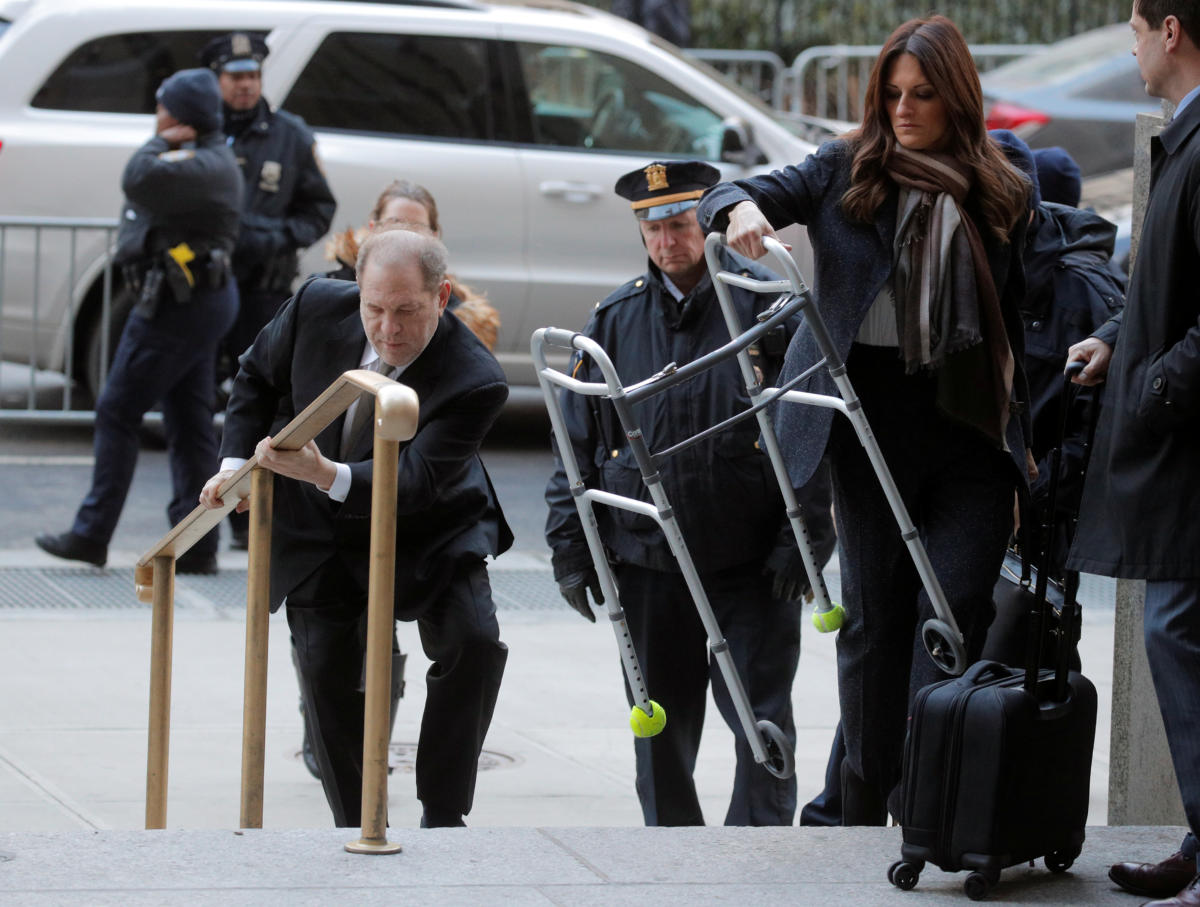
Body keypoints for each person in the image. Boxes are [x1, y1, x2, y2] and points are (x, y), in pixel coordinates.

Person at [698, 15, 1035, 825]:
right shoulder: (844, 166)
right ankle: (860, 809)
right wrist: (737, 209)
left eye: (923, 94)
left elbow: (1041, 288)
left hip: (969, 434)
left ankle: (928, 806)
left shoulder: (1002, 179)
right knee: (873, 629)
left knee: (948, 622)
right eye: (891, 94)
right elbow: (729, 189)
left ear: (956, 98)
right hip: (866, 427)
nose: (905, 109)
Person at [200, 229, 511, 829]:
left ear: (442, 297)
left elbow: (415, 483)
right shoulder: (318, 303)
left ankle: (443, 813)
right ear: (356, 291)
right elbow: (256, 376)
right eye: (374, 308)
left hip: (432, 527)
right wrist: (235, 467)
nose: (388, 329)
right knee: (324, 677)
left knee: (473, 643)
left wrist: (326, 472)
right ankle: (357, 824)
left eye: (407, 311)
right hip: (321, 531)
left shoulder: (476, 377)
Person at [545, 159, 817, 827]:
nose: (666, 241)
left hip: (750, 564)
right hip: (648, 564)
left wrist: (804, 536)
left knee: (763, 730)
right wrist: (571, 548)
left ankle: (758, 862)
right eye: (651, 227)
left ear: (706, 220)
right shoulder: (614, 319)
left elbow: (813, 426)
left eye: (677, 223)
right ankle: (672, 864)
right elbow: (574, 441)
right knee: (659, 737)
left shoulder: (764, 303)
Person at [1066, 2, 1200, 904]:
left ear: (1173, 32)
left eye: (1137, 35)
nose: (1134, 53)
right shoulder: (1185, 137)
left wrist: (1153, 385)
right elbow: (1169, 276)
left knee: (1174, 629)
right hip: (1179, 433)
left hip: (1186, 438)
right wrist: (1121, 333)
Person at [36, 68, 241, 575]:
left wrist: (156, 142)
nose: (157, 115)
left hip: (179, 308)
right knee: (189, 421)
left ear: (182, 117)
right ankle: (197, 544)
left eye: (163, 108)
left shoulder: (204, 163)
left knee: (116, 410)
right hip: (188, 302)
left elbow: (138, 177)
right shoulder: (202, 158)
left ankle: (91, 533)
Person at [198, 31, 337, 550]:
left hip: (262, 289)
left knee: (252, 400)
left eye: (252, 76)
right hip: (205, 290)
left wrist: (273, 238)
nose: (244, 86)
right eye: (235, 77)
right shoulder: (204, 131)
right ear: (218, 81)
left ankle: (246, 518)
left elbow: (318, 210)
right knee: (199, 403)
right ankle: (210, 512)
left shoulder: (290, 135)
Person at [324, 180, 500, 351]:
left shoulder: (458, 318)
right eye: (395, 224)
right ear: (372, 227)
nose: (405, 235)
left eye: (407, 309)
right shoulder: (326, 293)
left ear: (434, 236)